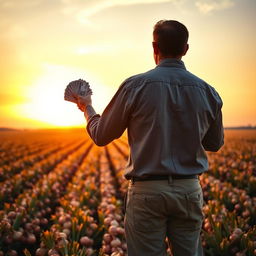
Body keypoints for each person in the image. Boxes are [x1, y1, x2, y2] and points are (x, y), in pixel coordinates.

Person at [76, 20, 224, 256]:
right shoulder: (208, 91)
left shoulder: (135, 85)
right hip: (188, 190)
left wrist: (87, 108)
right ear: (186, 49)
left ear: (154, 47)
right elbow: (215, 143)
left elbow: (101, 135)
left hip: (147, 191)